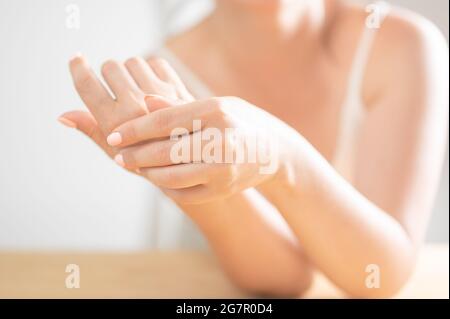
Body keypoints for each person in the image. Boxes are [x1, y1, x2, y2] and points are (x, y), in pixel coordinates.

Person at [58, 0, 449, 297]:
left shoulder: (403, 46)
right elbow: (283, 280)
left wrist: (280, 153)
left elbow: (377, 274)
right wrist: (181, 177)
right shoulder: (160, 76)